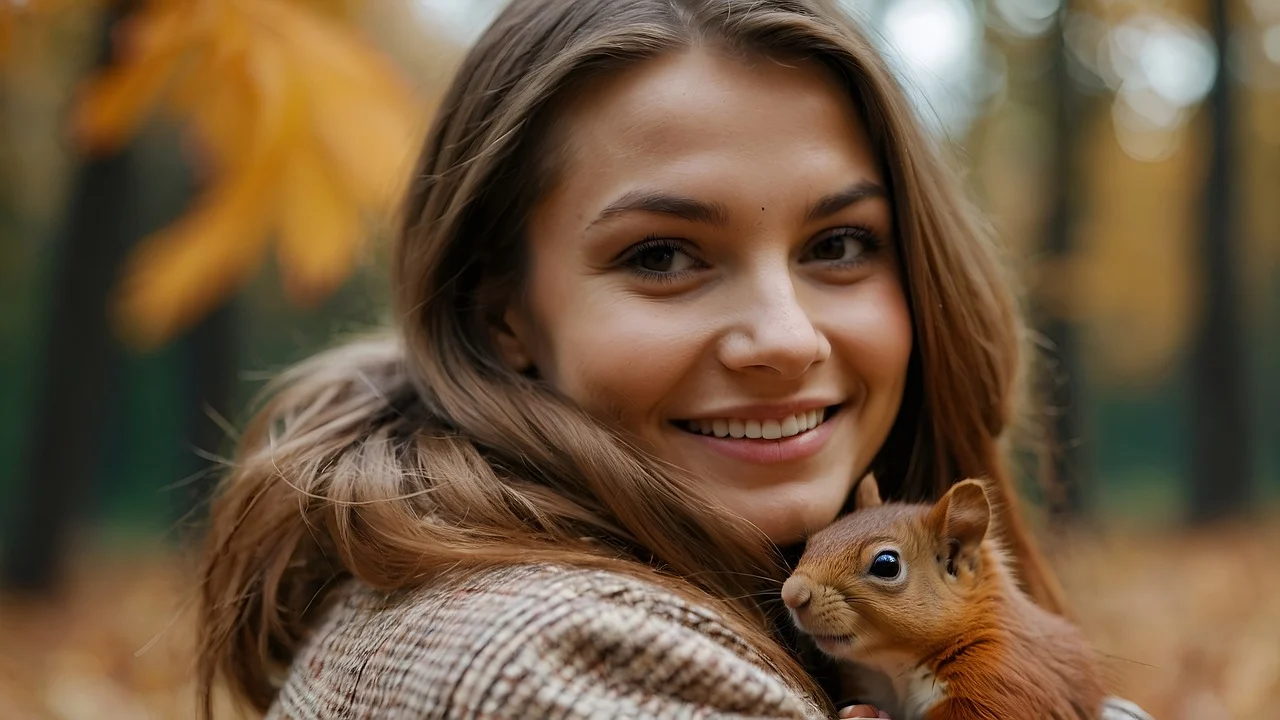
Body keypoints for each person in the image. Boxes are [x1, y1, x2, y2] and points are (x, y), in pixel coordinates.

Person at [195, 1, 1153, 718]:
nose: (784, 338)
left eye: (840, 244)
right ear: (503, 318)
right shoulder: (569, 665)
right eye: (661, 256)